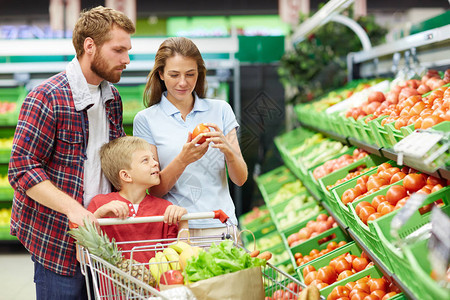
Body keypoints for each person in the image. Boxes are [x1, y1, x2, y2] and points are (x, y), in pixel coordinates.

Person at [8, 6, 135, 300]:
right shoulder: (46, 96)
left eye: (127, 50)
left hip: (102, 239)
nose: (126, 59)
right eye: (118, 50)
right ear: (89, 46)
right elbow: (21, 168)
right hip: (58, 240)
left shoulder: (111, 97)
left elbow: (113, 158)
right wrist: (75, 210)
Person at [133, 37, 248, 237]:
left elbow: (240, 179)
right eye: (174, 75)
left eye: (190, 74)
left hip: (221, 225)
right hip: (176, 230)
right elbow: (154, 191)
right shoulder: (146, 120)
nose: (183, 82)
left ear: (199, 74)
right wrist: (183, 159)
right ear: (160, 74)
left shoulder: (220, 110)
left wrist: (228, 151)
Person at [87, 136, 188, 263]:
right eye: (145, 160)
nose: (156, 163)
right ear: (126, 175)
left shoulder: (165, 208)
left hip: (156, 282)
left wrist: (183, 220)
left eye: (153, 158)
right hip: (113, 282)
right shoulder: (100, 204)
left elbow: (178, 258)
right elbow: (84, 258)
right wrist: (98, 215)